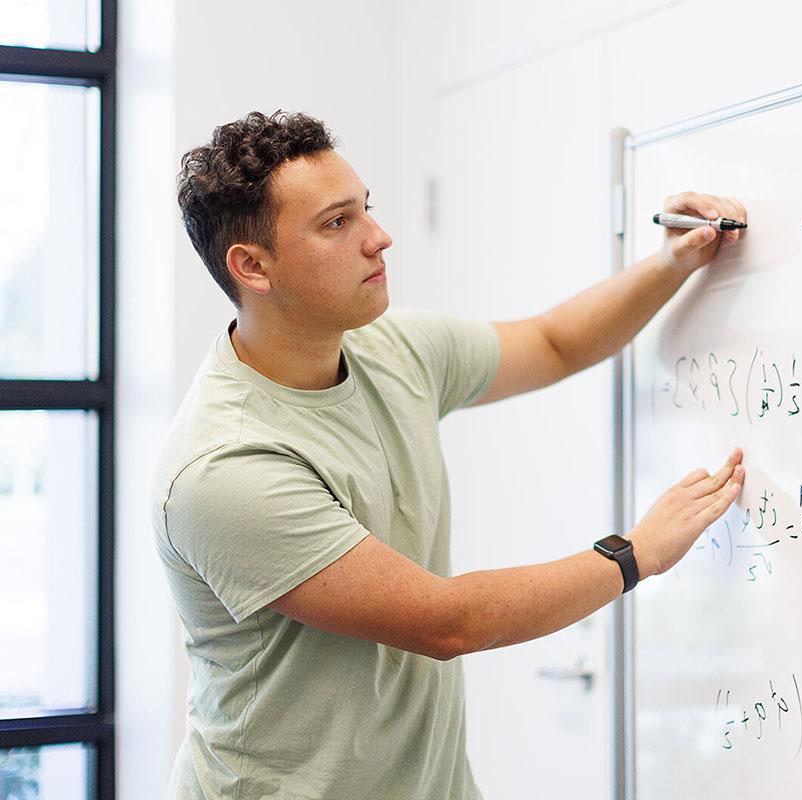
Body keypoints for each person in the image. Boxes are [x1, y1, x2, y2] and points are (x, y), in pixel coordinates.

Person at [153, 110, 746, 799]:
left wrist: (674, 260)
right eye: (337, 224)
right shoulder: (225, 466)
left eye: (365, 209)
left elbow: (555, 342)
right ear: (252, 266)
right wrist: (635, 552)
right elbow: (446, 621)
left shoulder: (391, 348)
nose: (380, 238)